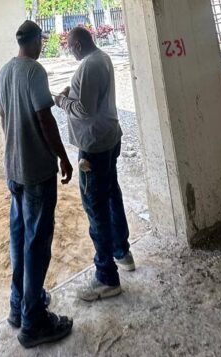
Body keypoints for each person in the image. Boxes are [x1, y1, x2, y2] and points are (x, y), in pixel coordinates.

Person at [0, 20, 74, 349]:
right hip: (37, 171)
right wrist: (63, 157)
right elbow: (45, 118)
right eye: (41, 40)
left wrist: (13, 148)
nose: (43, 45)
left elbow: (4, 116)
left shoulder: (4, 72)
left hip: (14, 169)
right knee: (37, 243)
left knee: (19, 238)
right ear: (35, 41)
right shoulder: (34, 72)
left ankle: (19, 305)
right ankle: (34, 322)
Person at [54, 25, 135, 301]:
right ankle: (122, 252)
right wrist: (72, 94)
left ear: (77, 45)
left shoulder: (88, 66)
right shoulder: (103, 58)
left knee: (95, 207)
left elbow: (84, 109)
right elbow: (93, 99)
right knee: (111, 194)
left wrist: (62, 101)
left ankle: (106, 277)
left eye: (69, 47)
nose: (70, 51)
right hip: (109, 138)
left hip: (94, 147)